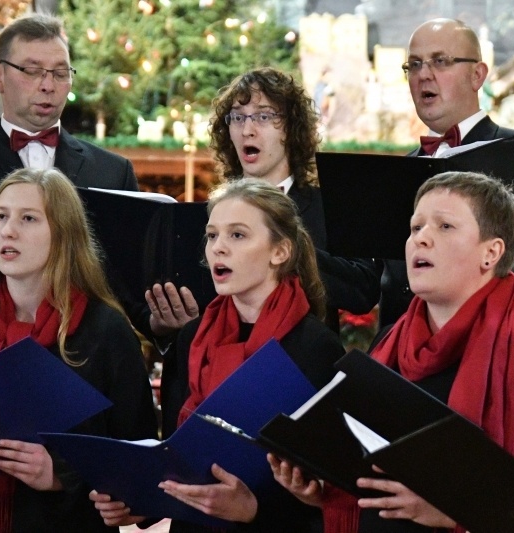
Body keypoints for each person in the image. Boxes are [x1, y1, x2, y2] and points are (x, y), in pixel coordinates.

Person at [270, 171, 514, 532]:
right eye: (415, 227)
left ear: (491, 252)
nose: (421, 239)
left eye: (445, 226)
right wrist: (328, 491)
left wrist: (461, 513)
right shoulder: (388, 345)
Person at [0, 168, 159, 532]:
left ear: (63, 234)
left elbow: (138, 459)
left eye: (28, 218)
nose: (8, 231)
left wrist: (59, 473)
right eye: (0, 216)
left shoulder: (105, 331)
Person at [91, 178, 345, 532]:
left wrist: (253, 511)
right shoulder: (191, 336)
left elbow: (330, 496)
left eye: (237, 235)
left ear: (280, 251)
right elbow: (175, 453)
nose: (218, 248)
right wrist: (141, 503)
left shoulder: (316, 348)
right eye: (212, 236)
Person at [157, 67, 379, 436]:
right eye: (237, 117)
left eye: (263, 117)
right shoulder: (213, 216)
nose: (247, 129)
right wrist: (166, 325)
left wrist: (278, 237)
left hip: (297, 366)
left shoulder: (328, 206)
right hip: (213, 354)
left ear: (290, 128)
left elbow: (362, 290)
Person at [0, 13, 158, 337]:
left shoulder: (112, 171)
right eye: (32, 71)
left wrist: (160, 324)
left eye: (60, 73)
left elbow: (128, 276)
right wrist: (36, 274)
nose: (48, 85)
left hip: (85, 350)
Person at [376, 18, 514, 328]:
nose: (424, 75)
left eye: (440, 61)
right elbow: (373, 284)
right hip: (402, 351)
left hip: (492, 348)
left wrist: (474, 279)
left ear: (477, 75)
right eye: (414, 65)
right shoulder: (396, 173)